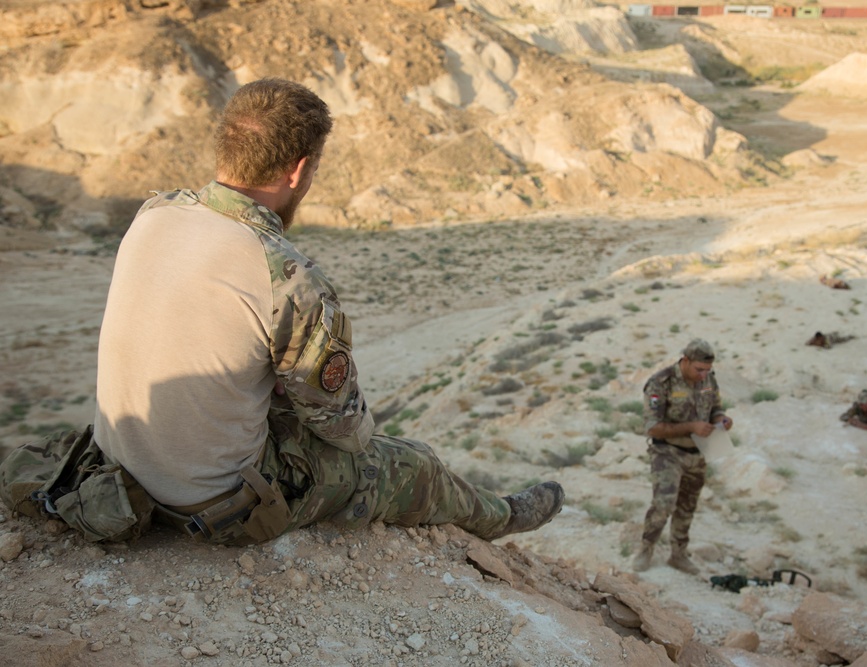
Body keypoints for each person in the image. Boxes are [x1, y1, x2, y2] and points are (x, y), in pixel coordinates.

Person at [2, 78, 563, 545]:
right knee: (410, 462)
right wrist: (359, 429)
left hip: (115, 468)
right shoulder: (286, 275)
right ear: (297, 170)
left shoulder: (154, 214)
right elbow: (340, 426)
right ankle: (502, 517)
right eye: (313, 170)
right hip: (211, 501)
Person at [632, 338, 732, 574]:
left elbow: (716, 407)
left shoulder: (708, 379)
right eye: (699, 369)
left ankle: (678, 554)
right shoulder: (661, 382)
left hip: (698, 452)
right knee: (664, 503)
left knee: (687, 506)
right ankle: (646, 549)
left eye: (707, 370)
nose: (703, 375)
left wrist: (721, 420)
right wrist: (691, 427)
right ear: (685, 361)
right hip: (667, 450)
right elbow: (653, 427)